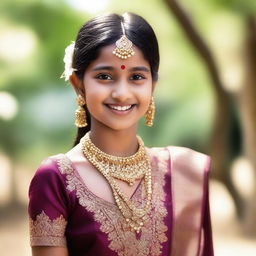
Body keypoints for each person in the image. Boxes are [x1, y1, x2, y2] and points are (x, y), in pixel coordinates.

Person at [28, 12, 214, 256]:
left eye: (137, 77)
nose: (122, 93)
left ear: (153, 85)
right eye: (104, 76)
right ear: (78, 84)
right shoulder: (56, 178)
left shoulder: (184, 171)